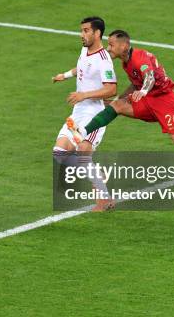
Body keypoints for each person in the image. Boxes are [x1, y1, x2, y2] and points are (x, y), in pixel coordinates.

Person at [67, 29, 174, 183]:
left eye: (111, 44)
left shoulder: (138, 58)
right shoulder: (126, 62)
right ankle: (83, 132)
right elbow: (135, 84)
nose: (108, 48)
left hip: (163, 100)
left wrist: (144, 91)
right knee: (117, 105)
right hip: (147, 100)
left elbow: (149, 77)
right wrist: (120, 98)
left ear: (124, 45)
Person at [52, 17, 117, 211]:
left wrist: (84, 95)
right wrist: (64, 75)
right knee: (59, 153)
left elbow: (111, 89)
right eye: (81, 30)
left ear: (97, 33)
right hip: (78, 112)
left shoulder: (104, 60)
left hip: (95, 115)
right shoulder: (84, 50)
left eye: (86, 30)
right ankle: (98, 173)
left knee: (82, 155)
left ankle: (103, 200)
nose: (82, 34)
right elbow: (81, 68)